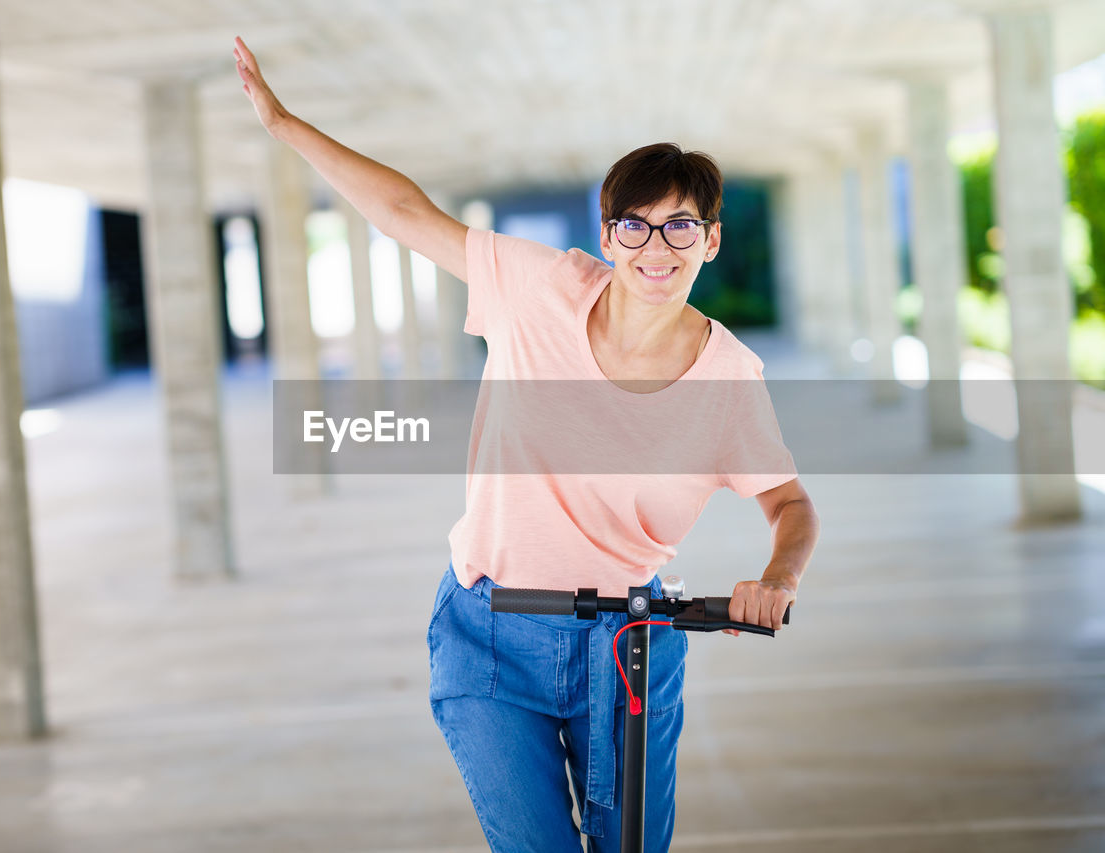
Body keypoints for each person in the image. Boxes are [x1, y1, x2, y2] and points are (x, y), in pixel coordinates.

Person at [234, 36, 819, 853]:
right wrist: (286, 124)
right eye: (636, 227)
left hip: (628, 642)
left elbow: (788, 502)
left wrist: (778, 575)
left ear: (711, 240)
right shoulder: (539, 289)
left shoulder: (729, 378)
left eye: (680, 226)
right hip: (488, 629)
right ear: (607, 236)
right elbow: (407, 213)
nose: (657, 249)